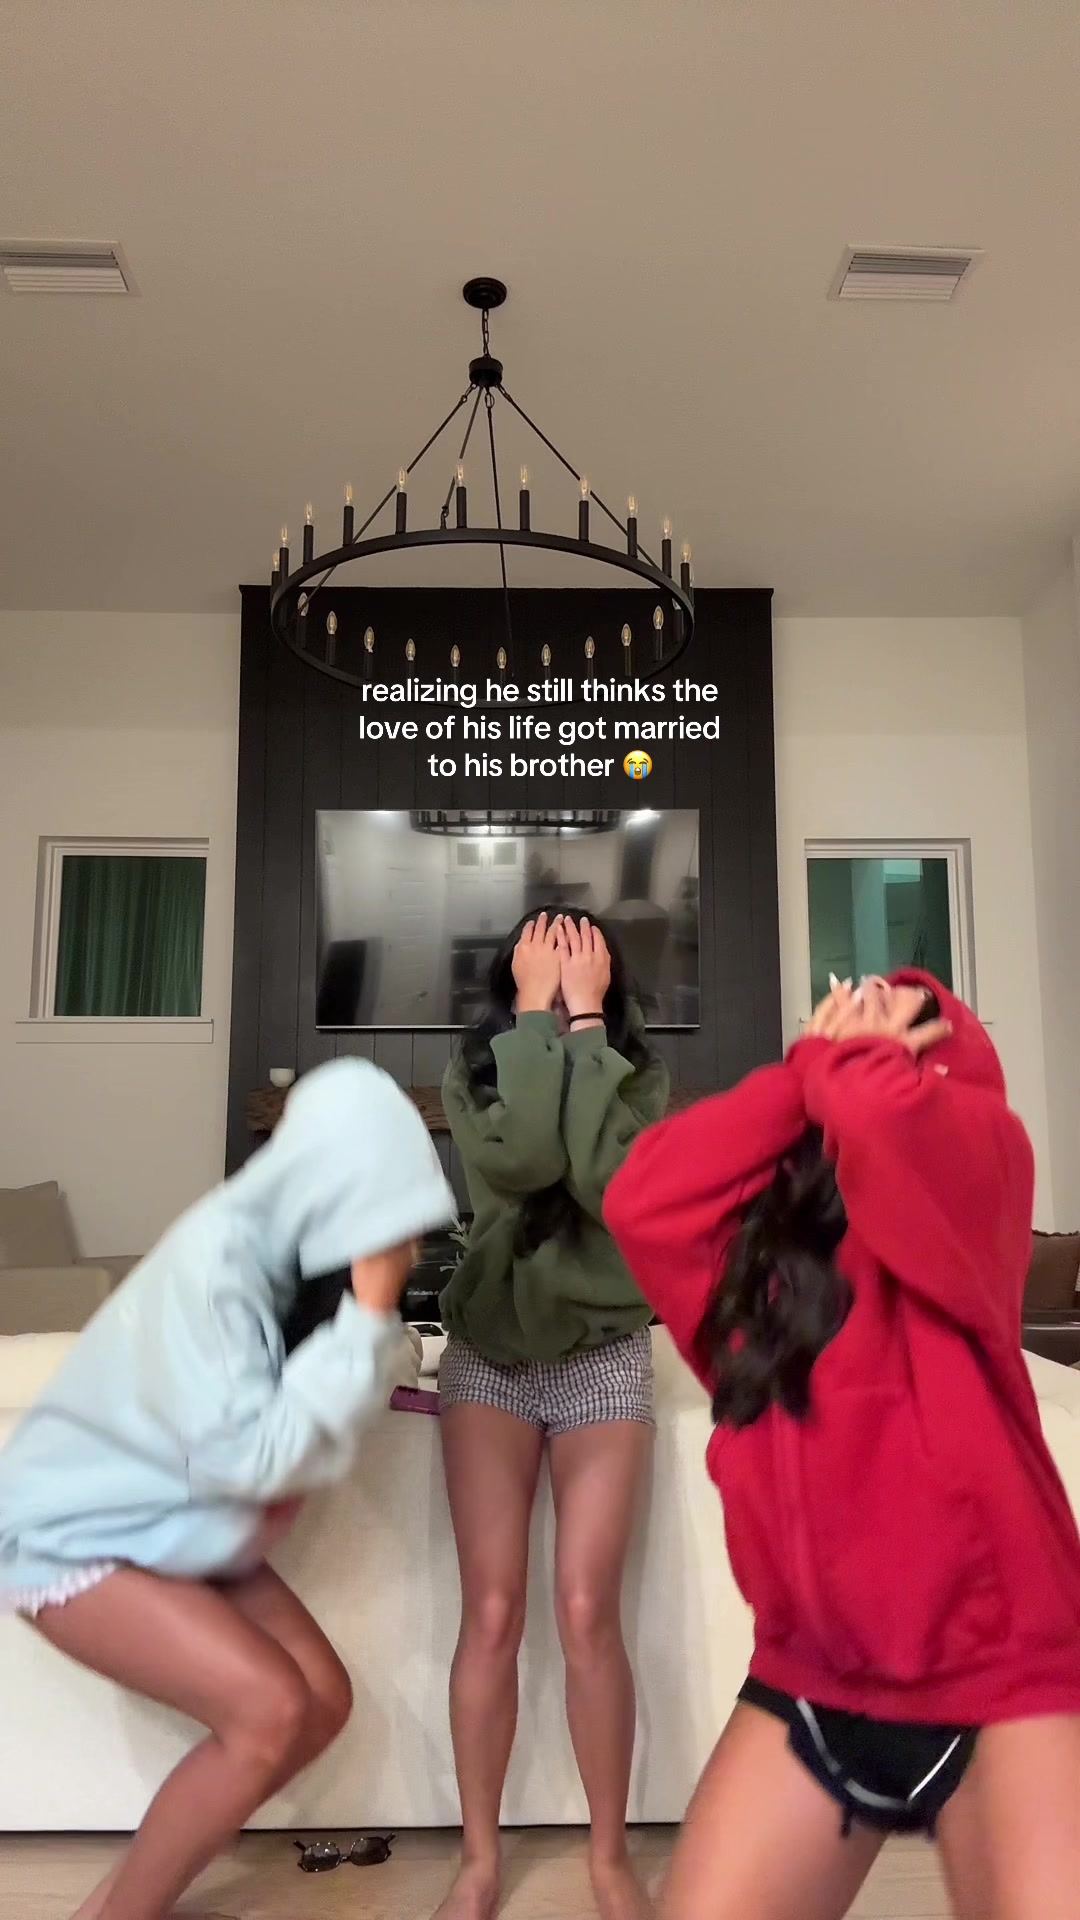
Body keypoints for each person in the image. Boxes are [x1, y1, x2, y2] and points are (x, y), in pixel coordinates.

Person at [604, 973, 1080, 1920]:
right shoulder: (763, 1280)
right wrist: (801, 1073)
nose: (859, 1023)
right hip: (813, 1675)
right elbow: (641, 1201)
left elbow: (891, 1123)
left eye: (886, 1026)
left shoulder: (982, 1186)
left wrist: (861, 1057)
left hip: (1001, 1678)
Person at [0, 1057, 455, 1920]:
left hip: (182, 1520)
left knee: (320, 1702)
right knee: (272, 1707)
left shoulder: (292, 1267)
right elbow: (258, 1460)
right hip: (74, 1527)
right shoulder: (219, 1264)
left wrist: (372, 1324)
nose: (407, 1244)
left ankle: (115, 1902)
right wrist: (369, 1311)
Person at [436, 908, 670, 1920]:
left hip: (603, 1351)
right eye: (547, 965)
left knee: (584, 1610)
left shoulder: (639, 1078)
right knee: (491, 1612)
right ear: (515, 978)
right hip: (489, 1355)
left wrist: (583, 1030)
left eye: (585, 968)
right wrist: (537, 1018)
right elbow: (528, 1160)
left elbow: (615, 1191)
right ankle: (478, 1862)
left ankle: (609, 1859)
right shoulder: (474, 1073)